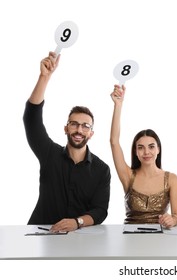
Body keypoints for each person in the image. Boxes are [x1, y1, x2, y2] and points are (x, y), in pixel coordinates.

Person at [23, 52, 111, 232]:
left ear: (91, 133)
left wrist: (76, 222)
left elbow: (100, 210)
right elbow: (31, 119)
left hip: (79, 237)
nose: (79, 130)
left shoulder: (102, 170)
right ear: (66, 128)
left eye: (85, 126)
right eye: (74, 124)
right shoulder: (49, 153)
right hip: (41, 234)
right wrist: (44, 77)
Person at [110, 85, 177, 228]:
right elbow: (114, 142)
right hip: (131, 239)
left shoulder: (171, 178)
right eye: (140, 148)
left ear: (158, 149)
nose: (146, 152)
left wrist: (172, 220)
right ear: (136, 152)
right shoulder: (128, 175)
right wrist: (118, 105)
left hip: (160, 239)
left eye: (151, 146)